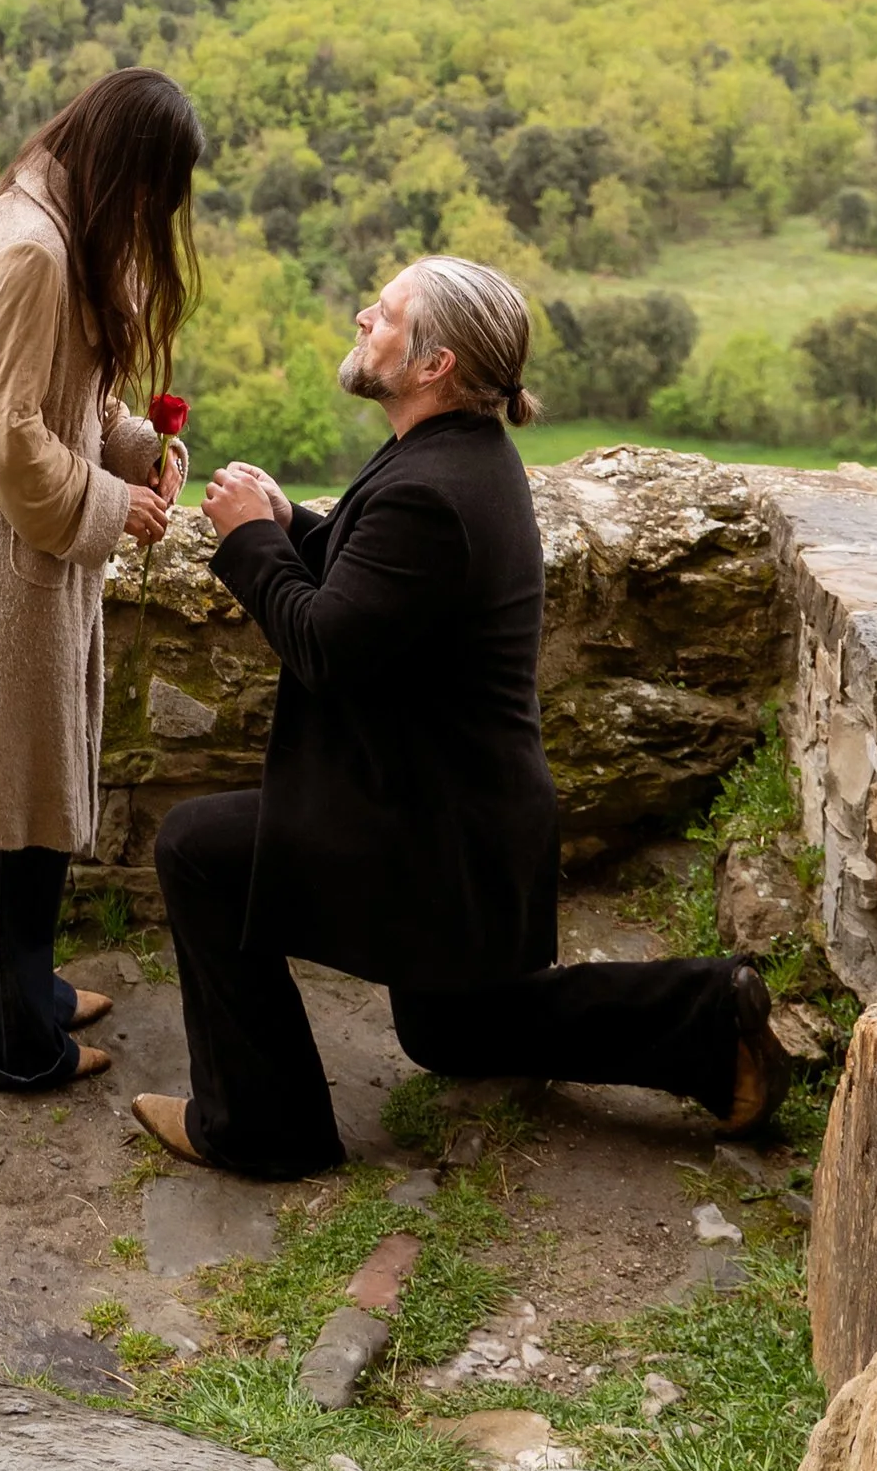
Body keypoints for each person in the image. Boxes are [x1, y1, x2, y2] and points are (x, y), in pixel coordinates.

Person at [132, 254, 790, 1177]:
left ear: (435, 363)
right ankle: (706, 1023)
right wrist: (299, 526)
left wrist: (247, 539)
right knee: (450, 1029)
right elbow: (387, 594)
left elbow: (326, 645)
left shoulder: (432, 489)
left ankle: (260, 1123)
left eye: (388, 314)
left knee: (196, 848)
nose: (365, 317)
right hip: (472, 818)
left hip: (426, 827)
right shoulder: (456, 460)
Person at [0, 68, 199, 1092]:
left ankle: (29, 989)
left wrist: (136, 448)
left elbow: (61, 406)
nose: (155, 216)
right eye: (155, 191)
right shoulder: (29, 250)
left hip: (28, 552)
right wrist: (116, 508)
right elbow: (13, 438)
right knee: (6, 801)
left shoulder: (50, 226)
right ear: (129, 172)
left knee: (28, 785)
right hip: (4, 559)